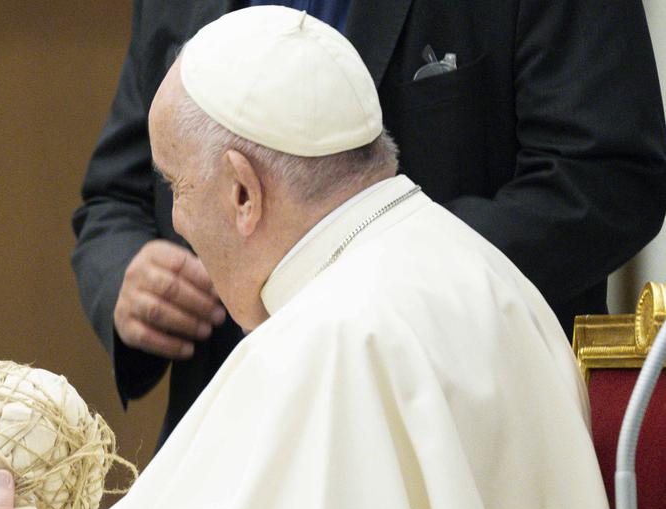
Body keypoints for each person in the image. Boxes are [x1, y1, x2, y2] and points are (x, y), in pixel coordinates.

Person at [0, 8, 615, 509]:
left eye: (174, 185)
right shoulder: (475, 269)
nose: (172, 219)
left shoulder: (330, 341)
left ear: (240, 189)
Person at [73, 0, 666, 443]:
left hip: (459, 429)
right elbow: (114, 198)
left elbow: (608, 175)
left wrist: (376, 276)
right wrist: (124, 275)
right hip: (229, 436)